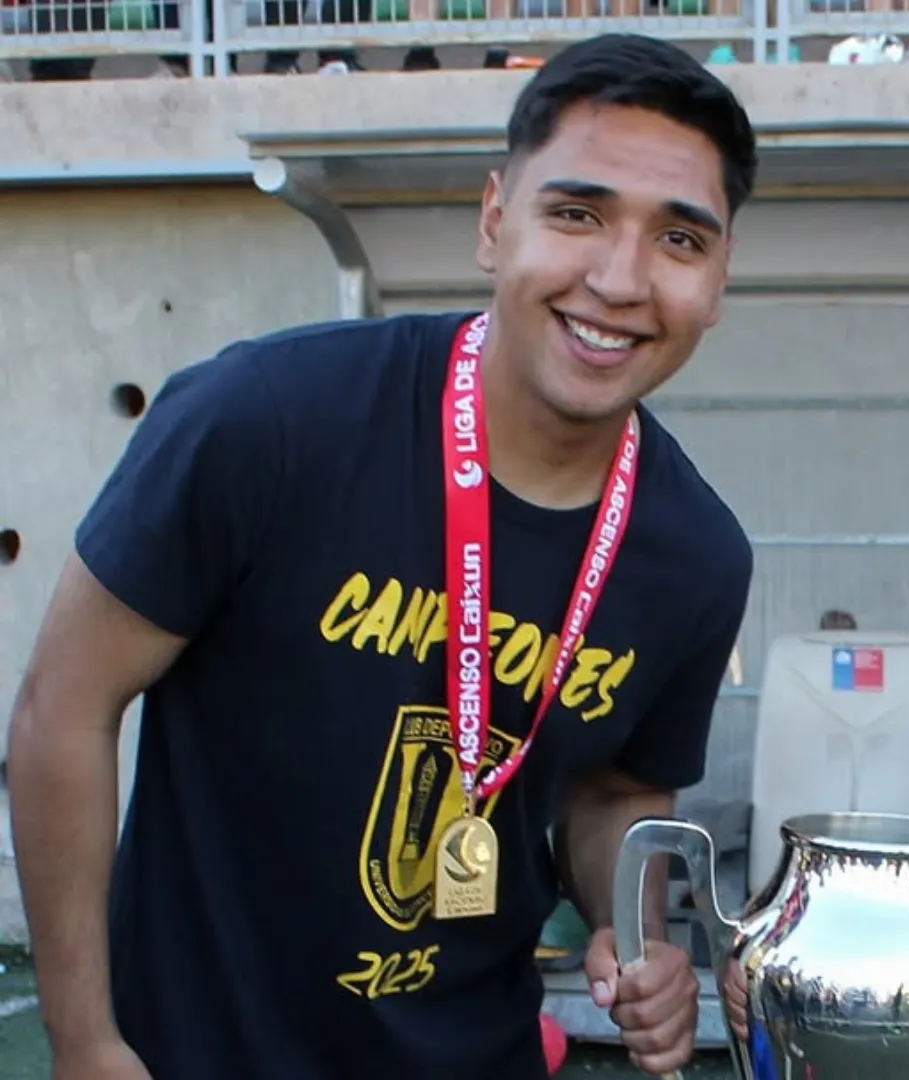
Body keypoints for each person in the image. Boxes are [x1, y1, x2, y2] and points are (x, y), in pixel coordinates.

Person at [7, 32, 756, 1080]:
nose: (621, 278)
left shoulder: (696, 553)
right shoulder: (263, 422)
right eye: (576, 213)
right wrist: (87, 1043)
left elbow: (617, 794)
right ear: (496, 221)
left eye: (680, 239)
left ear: (720, 279)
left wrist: (637, 941)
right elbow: (63, 709)